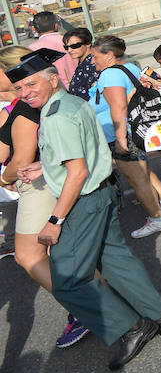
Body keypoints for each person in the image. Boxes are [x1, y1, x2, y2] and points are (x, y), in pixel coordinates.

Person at [10, 59, 161, 371]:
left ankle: (132, 327)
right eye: (19, 88)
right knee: (115, 260)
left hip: (83, 199)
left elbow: (77, 172)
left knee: (68, 280)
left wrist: (55, 220)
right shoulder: (72, 103)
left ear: (54, 80)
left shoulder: (56, 116)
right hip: (103, 191)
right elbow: (83, 150)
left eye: (31, 84)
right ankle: (160, 315)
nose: (25, 92)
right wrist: (45, 166)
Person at [1, 48, 91, 348]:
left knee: (28, 255)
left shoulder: (26, 106)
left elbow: (22, 158)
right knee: (64, 254)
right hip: (46, 180)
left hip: (38, 185)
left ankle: (85, 309)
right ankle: (96, 305)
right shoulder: (29, 101)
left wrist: (4, 178)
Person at [89, 36, 161, 237]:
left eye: (95, 57)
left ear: (109, 55)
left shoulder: (109, 75)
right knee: (142, 175)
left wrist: (120, 140)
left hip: (122, 134)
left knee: (138, 180)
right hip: (135, 130)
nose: (93, 61)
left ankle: (158, 219)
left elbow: (118, 107)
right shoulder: (130, 68)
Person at [27, 11, 74, 86]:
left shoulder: (32, 48)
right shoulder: (69, 41)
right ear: (56, 26)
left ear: (34, 29)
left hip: (56, 88)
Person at [62, 28, 99, 102]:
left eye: (75, 46)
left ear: (88, 44)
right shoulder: (82, 64)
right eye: (66, 47)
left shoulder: (93, 65)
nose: (69, 50)